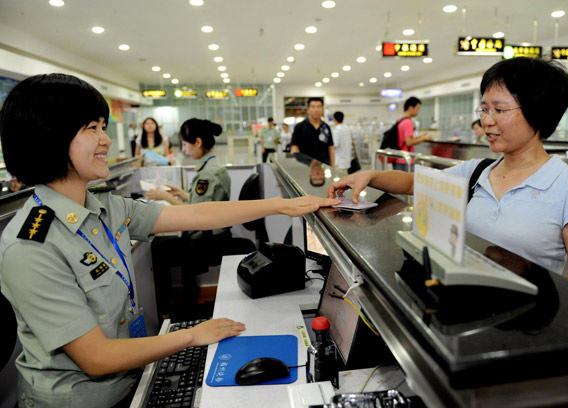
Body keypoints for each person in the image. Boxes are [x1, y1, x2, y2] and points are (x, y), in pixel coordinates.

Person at [0, 73, 340, 407]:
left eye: (103, 126)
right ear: (50, 136)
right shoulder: (31, 245)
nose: (105, 140)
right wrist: (191, 335)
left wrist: (282, 205)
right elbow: (97, 358)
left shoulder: (103, 205)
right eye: (92, 128)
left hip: (131, 380)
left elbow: (197, 214)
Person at [327, 57, 568, 292]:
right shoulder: (477, 170)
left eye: (499, 110)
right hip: (468, 308)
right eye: (484, 108)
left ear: (538, 113)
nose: (487, 120)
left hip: (524, 325)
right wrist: (370, 176)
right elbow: (413, 183)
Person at [146, 118, 232, 319]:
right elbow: (203, 204)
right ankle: (185, 301)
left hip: (206, 240)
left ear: (198, 142)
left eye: (185, 144)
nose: (184, 149)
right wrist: (182, 194)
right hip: (212, 234)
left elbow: (195, 215)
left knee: (157, 251)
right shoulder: (211, 167)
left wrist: (164, 197)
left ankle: (175, 309)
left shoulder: (207, 174)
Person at [291, 97, 335, 166]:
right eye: (313, 107)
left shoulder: (326, 127)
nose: (316, 109)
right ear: (308, 109)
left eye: (319, 107)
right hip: (306, 166)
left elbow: (330, 147)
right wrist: (295, 166)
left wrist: (333, 166)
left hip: (324, 166)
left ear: (322, 109)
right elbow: (294, 147)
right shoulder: (299, 127)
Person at [390, 97, 432, 171]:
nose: (418, 111)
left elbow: (404, 139)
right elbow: (409, 142)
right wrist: (424, 138)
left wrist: (420, 137)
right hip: (405, 160)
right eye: (417, 108)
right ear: (411, 108)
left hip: (398, 157)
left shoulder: (400, 120)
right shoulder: (408, 122)